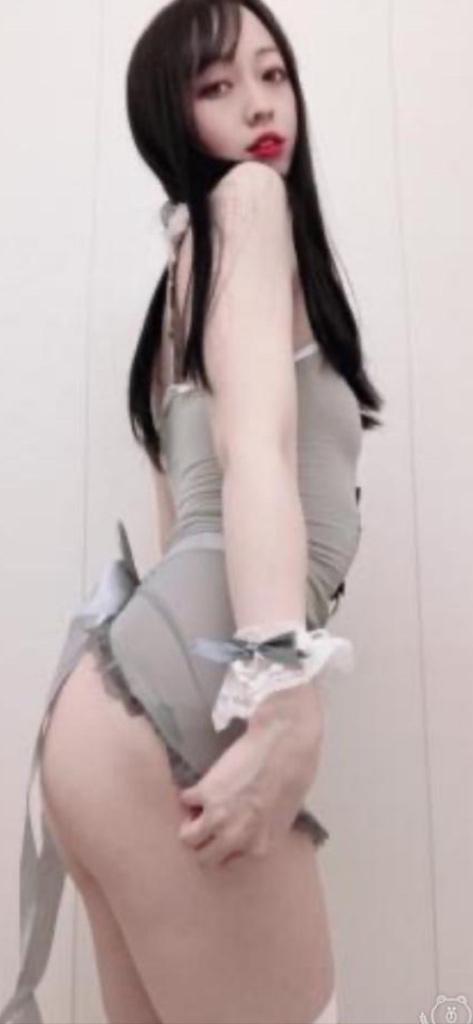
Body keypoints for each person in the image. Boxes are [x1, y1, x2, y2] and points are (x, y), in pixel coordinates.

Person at [0, 2, 384, 1023]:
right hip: (178, 701)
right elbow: (254, 451)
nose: (258, 106)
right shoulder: (248, 203)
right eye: (216, 87)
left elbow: (181, 535)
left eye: (272, 73)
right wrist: (282, 687)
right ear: (173, 122)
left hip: (100, 717)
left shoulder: (179, 287)